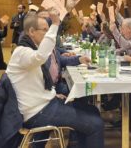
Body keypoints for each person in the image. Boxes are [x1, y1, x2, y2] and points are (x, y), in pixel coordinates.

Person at [6, 13, 104, 148]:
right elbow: (41, 56)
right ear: (31, 32)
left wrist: (52, 94)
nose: (48, 34)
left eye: (48, 30)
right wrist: (55, 23)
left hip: (43, 104)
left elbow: (37, 81)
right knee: (96, 124)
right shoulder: (22, 52)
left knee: (92, 111)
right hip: (37, 112)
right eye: (44, 30)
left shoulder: (29, 50)